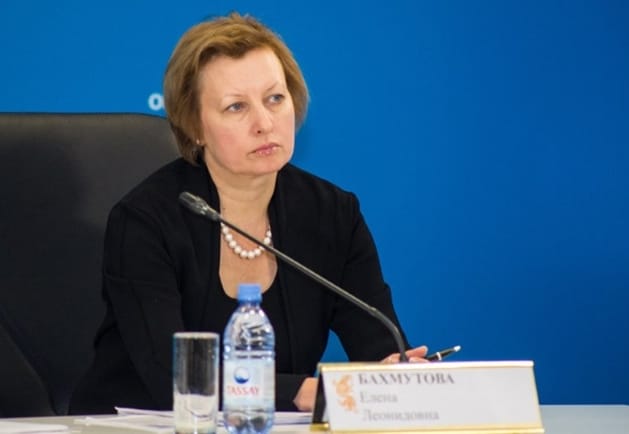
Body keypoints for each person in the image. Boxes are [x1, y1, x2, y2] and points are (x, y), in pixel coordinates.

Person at [69, 11, 427, 414]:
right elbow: (174, 378)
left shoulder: (333, 214)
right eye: (236, 107)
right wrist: (302, 391)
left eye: (275, 99)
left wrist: (394, 374)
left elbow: (379, 346)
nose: (264, 123)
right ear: (194, 127)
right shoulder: (145, 222)